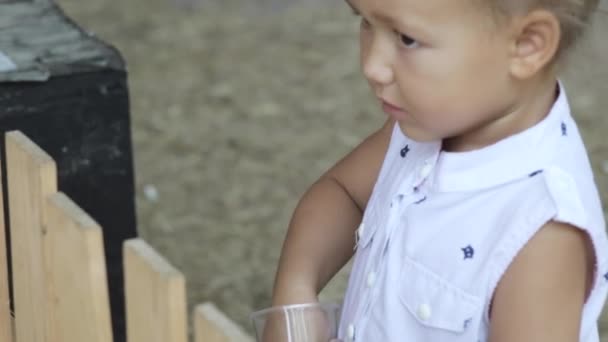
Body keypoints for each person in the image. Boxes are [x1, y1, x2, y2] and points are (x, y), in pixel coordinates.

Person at [270, 0, 608, 341]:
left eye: (406, 38)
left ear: (526, 44)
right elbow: (343, 192)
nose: (372, 66)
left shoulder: (543, 236)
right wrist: (295, 290)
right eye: (366, 21)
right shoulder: (428, 124)